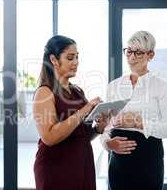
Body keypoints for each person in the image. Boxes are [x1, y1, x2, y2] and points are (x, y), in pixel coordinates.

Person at [33, 35, 119, 190]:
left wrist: (98, 129)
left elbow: (82, 135)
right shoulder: (44, 92)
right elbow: (49, 137)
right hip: (55, 169)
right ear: (53, 60)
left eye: (77, 57)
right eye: (70, 58)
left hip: (82, 166)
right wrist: (85, 109)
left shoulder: (77, 91)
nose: (76, 62)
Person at [100, 31, 167, 190]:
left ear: (150, 55)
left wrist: (139, 123)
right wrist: (107, 144)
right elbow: (105, 127)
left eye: (138, 52)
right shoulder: (113, 86)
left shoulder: (161, 87)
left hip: (149, 161)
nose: (132, 57)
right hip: (118, 164)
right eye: (129, 51)